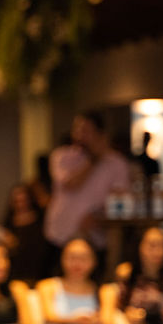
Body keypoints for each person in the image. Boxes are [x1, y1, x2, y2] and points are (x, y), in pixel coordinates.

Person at [44, 111, 131, 269]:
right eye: (77, 130)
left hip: (95, 238)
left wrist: (99, 216)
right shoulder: (61, 156)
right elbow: (71, 184)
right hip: (60, 234)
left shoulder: (116, 163)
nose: (79, 136)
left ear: (100, 134)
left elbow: (121, 201)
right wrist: (93, 160)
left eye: (85, 131)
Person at [1, 183, 49, 285]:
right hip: (16, 270)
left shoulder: (40, 219)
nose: (21, 204)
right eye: (17, 201)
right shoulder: (8, 222)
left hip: (38, 268)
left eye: (24, 200)